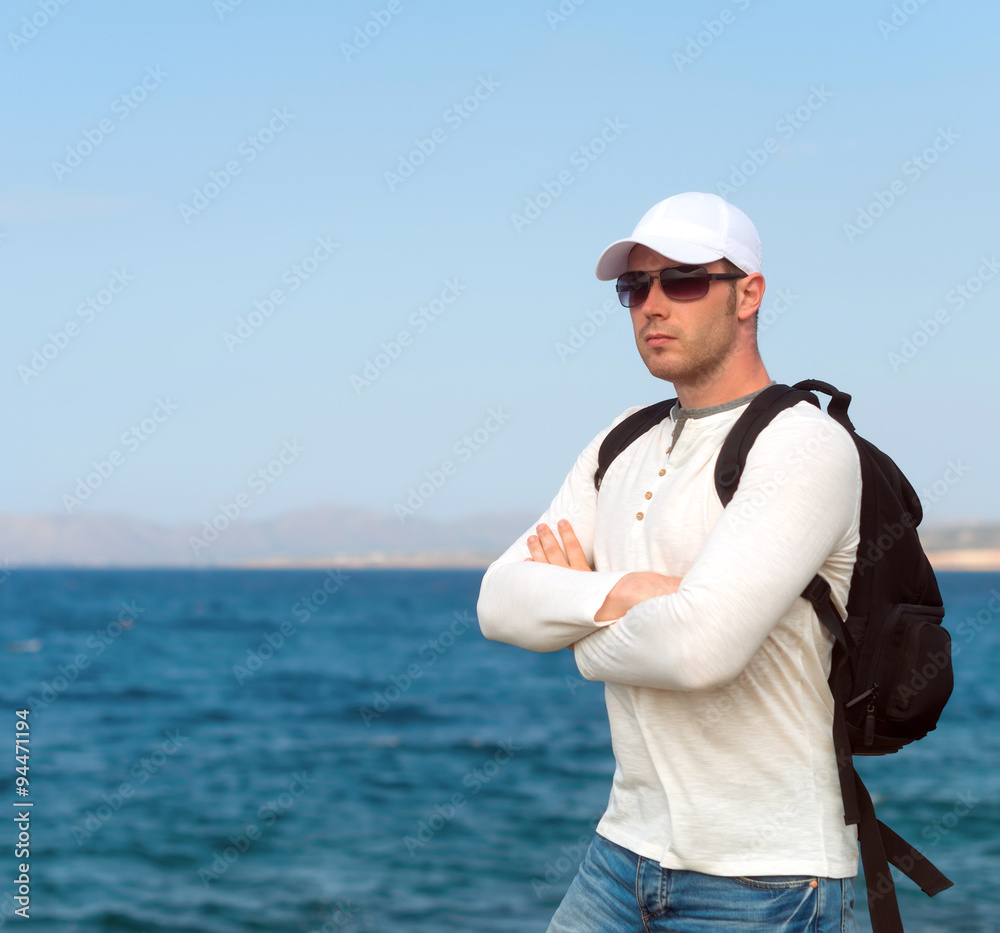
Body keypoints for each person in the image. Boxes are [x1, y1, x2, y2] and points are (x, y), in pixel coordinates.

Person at [476, 192, 863, 932]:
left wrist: (576, 633)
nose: (652, 304)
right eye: (636, 285)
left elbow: (697, 652)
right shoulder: (622, 439)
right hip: (622, 852)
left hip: (768, 877)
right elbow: (497, 600)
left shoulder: (802, 444)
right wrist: (631, 592)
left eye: (683, 280)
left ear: (748, 293)